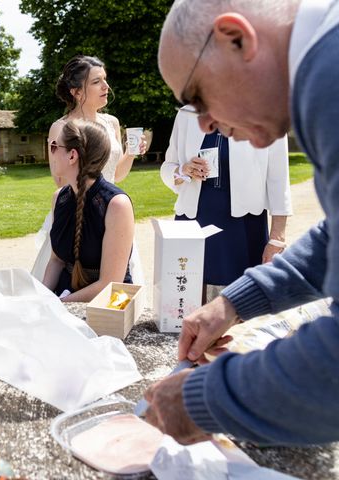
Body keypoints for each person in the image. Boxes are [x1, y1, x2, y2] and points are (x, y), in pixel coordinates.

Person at [144, 0, 339, 446]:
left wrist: (206, 399)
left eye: (198, 98)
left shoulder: (329, 81)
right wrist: (234, 303)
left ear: (237, 38)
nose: (206, 122)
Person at [32, 55, 146, 283]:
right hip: (77, 212)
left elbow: (117, 174)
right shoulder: (61, 128)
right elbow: (60, 181)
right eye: (96, 82)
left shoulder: (111, 122)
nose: (106, 87)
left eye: (105, 80)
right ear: (76, 91)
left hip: (112, 210)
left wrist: (131, 153)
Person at [161, 108, 292, 302]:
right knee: (186, 305)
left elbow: (279, 180)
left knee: (243, 309)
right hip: (193, 222)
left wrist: (277, 238)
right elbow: (168, 168)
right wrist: (184, 170)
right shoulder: (187, 114)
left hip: (244, 227)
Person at [42, 119, 135, 302]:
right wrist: (41, 297)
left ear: (72, 156)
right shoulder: (59, 198)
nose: (51, 152)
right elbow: (56, 261)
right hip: (64, 294)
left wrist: (58, 304)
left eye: (54, 146)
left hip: (106, 303)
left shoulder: (116, 205)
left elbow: (110, 283)